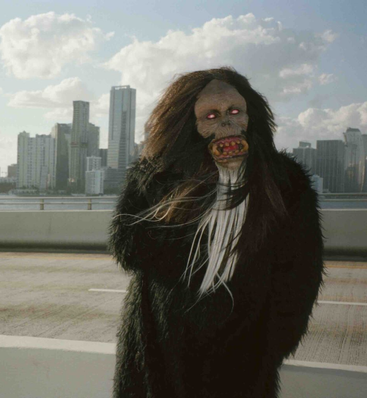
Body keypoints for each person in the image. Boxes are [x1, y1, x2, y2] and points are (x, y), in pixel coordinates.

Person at [110, 67, 323, 398]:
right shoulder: (156, 179)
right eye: (211, 115)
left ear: (252, 116)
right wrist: (179, 192)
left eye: (235, 112)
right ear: (187, 126)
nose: (226, 124)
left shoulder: (286, 184)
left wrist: (266, 355)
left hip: (242, 372)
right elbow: (128, 248)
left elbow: (299, 279)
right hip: (158, 361)